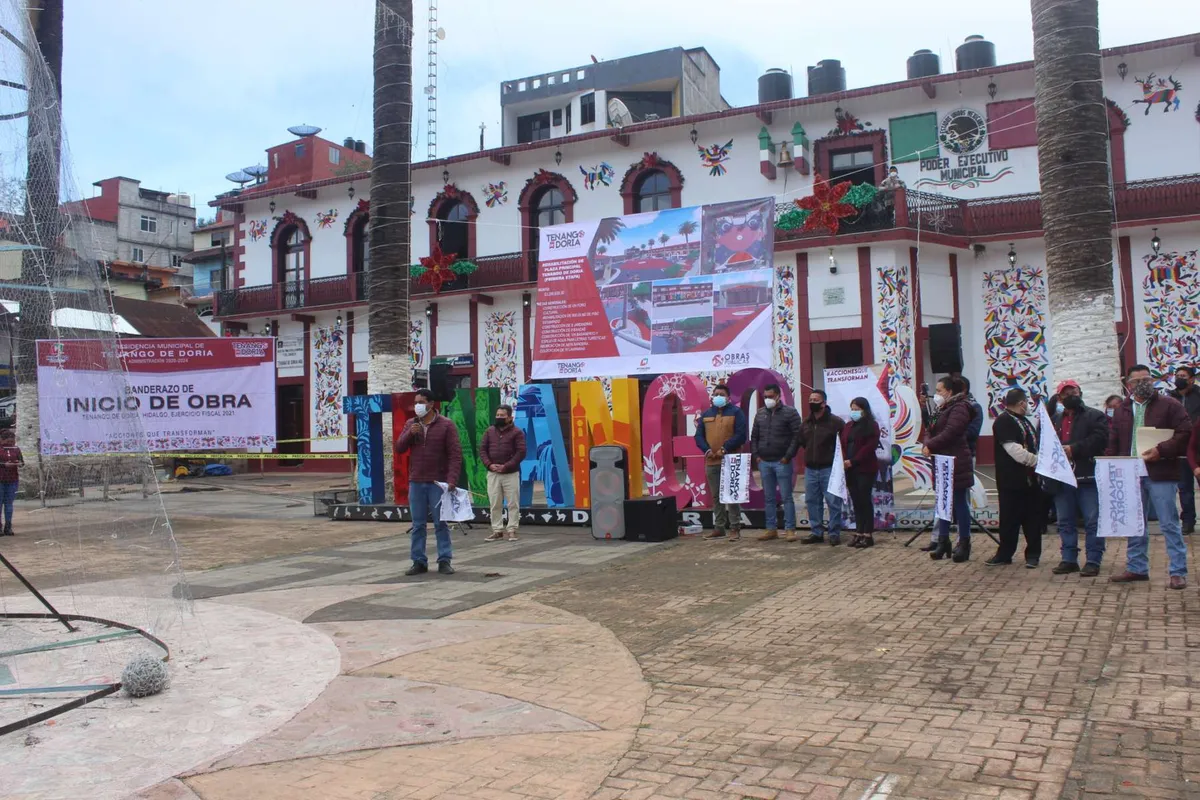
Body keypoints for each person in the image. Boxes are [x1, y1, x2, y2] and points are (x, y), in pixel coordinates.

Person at [1106, 364, 1193, 588]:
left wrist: (1161, 450)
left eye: (1147, 379)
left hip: (1161, 471)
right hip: (1130, 472)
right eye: (1137, 381)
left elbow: (1185, 433)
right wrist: (1109, 465)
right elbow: (1114, 441)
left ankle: (1178, 571)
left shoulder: (1169, 405)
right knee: (1135, 523)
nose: (1143, 384)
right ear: (1129, 384)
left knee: (1169, 523)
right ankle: (1136, 567)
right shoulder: (1122, 409)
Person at [395, 390, 463, 576]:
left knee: (441, 524)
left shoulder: (446, 425)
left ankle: (444, 560)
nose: (418, 405)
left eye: (422, 402)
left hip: (437, 482)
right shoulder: (411, 424)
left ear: (431, 404)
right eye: (416, 402)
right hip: (416, 481)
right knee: (418, 525)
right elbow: (399, 447)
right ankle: (418, 561)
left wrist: (451, 480)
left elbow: (455, 455)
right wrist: (410, 433)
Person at [1050, 380, 1110, 577]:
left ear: (1080, 392)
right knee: (1065, 520)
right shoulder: (1056, 419)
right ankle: (1069, 559)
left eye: (1073, 392)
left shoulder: (1095, 415)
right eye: (1066, 394)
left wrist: (1074, 449)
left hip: (1087, 475)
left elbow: (1100, 439)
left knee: (1092, 520)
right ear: (1059, 398)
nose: (1070, 396)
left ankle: (1093, 559)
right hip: (1062, 477)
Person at [922, 376, 977, 562]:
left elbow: (952, 431)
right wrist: (927, 443)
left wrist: (932, 445)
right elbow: (930, 427)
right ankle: (943, 541)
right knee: (943, 502)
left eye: (939, 391)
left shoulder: (960, 407)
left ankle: (964, 542)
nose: (936, 394)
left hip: (956, 461)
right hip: (941, 460)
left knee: (959, 502)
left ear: (950, 391)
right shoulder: (942, 408)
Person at [986, 388, 1043, 568]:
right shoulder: (1003, 421)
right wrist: (1037, 461)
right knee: (1009, 520)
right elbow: (1015, 451)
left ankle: (1033, 555)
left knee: (1033, 519)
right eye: (1026, 402)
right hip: (1011, 480)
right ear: (1021, 403)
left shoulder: (1024, 421)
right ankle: (1005, 554)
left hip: (1031, 480)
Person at [695, 384, 748, 541]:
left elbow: (740, 435)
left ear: (728, 397)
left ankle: (735, 528)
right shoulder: (706, 414)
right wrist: (707, 450)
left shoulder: (736, 412)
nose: (718, 396)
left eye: (721, 394)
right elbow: (698, 436)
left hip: (731, 459)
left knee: (731, 495)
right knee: (716, 496)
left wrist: (725, 449)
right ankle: (719, 528)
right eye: (716, 393)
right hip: (711, 461)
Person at [751, 383, 802, 542]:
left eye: (771, 396)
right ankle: (770, 529)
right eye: (765, 397)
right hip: (764, 462)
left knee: (786, 497)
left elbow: (797, 436)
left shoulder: (790, 413)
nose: (768, 399)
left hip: (782, 461)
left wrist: (788, 456)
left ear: (779, 396)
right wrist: (756, 455)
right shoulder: (760, 413)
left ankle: (790, 529)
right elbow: (754, 436)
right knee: (769, 497)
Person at [798, 390, 845, 545]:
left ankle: (834, 533)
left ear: (823, 403)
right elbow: (802, 442)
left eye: (816, 399)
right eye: (810, 399)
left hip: (829, 469)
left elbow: (843, 444)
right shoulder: (806, 422)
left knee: (833, 502)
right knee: (812, 501)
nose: (812, 402)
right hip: (811, 469)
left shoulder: (835, 422)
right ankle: (816, 532)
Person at [481, 404, 526, 542]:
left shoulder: (517, 432)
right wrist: (489, 464)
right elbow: (482, 450)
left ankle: (512, 530)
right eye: (498, 415)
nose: (499, 417)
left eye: (502, 416)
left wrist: (506, 466)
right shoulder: (489, 431)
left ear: (510, 417)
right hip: (493, 473)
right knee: (495, 503)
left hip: (510, 474)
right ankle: (497, 530)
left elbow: (521, 452)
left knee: (513, 503)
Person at [841, 397, 881, 549]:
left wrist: (854, 461)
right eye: (852, 409)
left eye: (857, 409)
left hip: (865, 468)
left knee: (865, 500)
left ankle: (868, 534)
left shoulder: (872, 425)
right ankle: (858, 532)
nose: (854, 412)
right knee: (856, 501)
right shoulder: (848, 426)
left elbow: (869, 447)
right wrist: (845, 461)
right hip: (849, 468)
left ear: (864, 410)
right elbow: (843, 444)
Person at [1169, 366, 1200, 534]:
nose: (1179, 378)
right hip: (1180, 448)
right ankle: (1188, 521)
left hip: (1197, 448)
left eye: (1183, 376)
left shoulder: (1198, 395)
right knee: (1184, 488)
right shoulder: (1171, 397)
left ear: (1191, 379)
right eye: (1177, 375)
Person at [0, 429, 22, 535]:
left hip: (12, 479)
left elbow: (22, 462)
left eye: (12, 442)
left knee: (9, 504)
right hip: (0, 479)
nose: (10, 444)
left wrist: (18, 463)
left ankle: (8, 526)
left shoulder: (16, 449)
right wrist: (4, 465)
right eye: (8, 442)